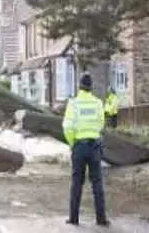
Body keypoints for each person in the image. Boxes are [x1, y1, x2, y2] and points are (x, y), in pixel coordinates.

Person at [63, 73, 109, 227]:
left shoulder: (73, 103)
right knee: (97, 183)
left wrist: (72, 143)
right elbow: (101, 122)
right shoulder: (97, 103)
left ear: (79, 86)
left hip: (79, 146)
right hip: (95, 146)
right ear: (91, 87)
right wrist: (94, 133)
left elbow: (67, 126)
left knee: (77, 183)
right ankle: (101, 219)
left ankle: (74, 218)